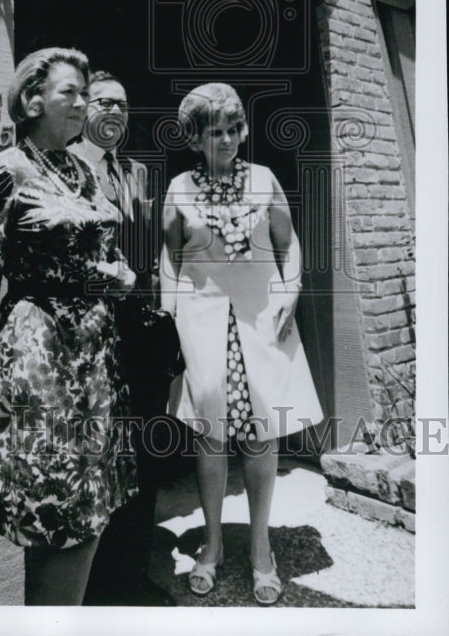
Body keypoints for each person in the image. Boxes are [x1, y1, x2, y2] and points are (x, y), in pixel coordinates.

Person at [0, 48, 137, 606]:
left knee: (90, 511)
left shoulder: (80, 170)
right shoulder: (8, 171)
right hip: (45, 360)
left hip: (95, 357)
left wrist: (117, 275)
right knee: (59, 514)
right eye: (72, 93)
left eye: (88, 93)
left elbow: (96, 246)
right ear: (33, 100)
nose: (85, 103)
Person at [160, 83, 323, 605]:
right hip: (203, 322)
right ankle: (211, 546)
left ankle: (260, 550)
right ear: (194, 138)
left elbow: (287, 242)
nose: (228, 140)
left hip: (260, 319)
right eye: (215, 132)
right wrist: (170, 320)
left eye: (235, 129)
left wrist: (290, 291)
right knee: (210, 435)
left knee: (260, 434)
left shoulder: (265, 179)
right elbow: (170, 260)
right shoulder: (180, 188)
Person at [72, 70, 175, 607]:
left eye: (124, 105)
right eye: (105, 101)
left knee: (143, 454)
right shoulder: (62, 168)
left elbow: (156, 249)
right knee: (96, 458)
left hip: (141, 338)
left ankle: (131, 579)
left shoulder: (139, 173)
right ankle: (92, 591)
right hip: (88, 338)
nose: (116, 112)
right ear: (83, 107)